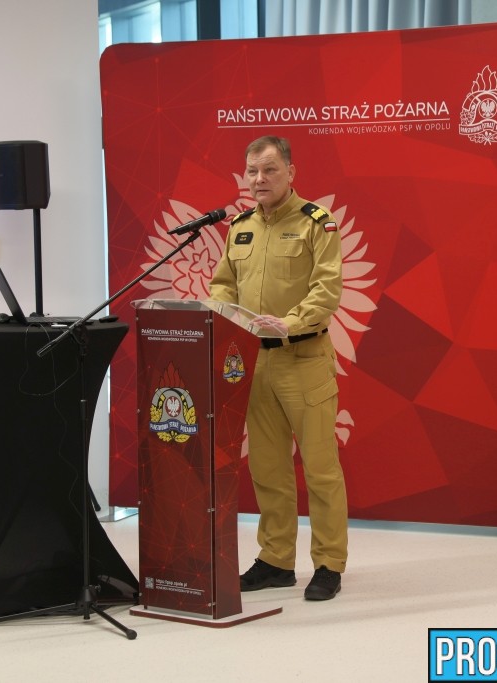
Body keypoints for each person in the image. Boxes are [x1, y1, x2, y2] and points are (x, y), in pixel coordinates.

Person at [208, 135, 348, 601]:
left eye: (269, 169)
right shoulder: (240, 227)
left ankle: (328, 564)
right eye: (252, 171)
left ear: (291, 172)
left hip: (302, 358)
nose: (259, 179)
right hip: (255, 362)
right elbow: (223, 284)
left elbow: (327, 289)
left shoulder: (316, 223)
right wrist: (222, 313)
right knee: (268, 469)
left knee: (320, 470)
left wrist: (290, 322)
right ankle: (275, 560)